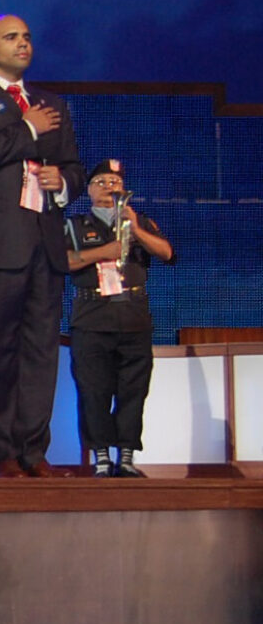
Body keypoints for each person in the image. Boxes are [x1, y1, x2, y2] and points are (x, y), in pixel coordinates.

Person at [0, 15, 84, 477]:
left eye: (27, 36)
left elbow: (74, 167)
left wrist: (62, 181)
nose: (23, 43)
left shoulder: (53, 104)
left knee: (41, 352)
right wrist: (26, 129)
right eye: (12, 37)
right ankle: (1, 451)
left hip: (44, 246)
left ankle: (34, 450)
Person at [65, 159, 175, 478]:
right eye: (101, 181)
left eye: (114, 182)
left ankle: (126, 456)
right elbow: (60, 260)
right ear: (88, 190)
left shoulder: (139, 222)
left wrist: (135, 229)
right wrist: (103, 252)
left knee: (133, 390)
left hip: (134, 318)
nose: (108, 187)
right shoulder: (74, 225)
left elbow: (167, 253)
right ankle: (100, 456)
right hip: (92, 319)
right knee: (94, 390)